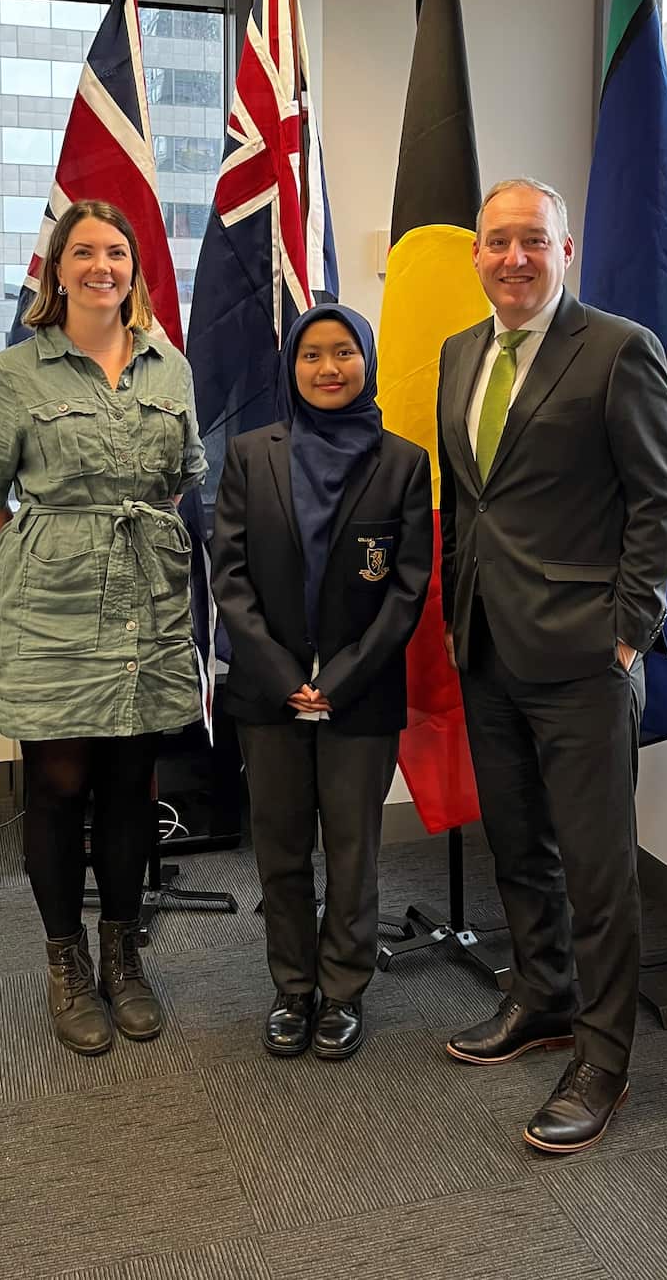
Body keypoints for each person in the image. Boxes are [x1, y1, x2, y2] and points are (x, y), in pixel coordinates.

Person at [436, 177, 667, 1152]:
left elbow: (656, 504)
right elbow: (472, 502)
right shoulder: (461, 352)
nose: (513, 257)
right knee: (517, 848)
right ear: (475, 253)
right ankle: (538, 997)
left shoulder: (618, 351)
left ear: (564, 250)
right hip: (487, 647)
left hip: (583, 656)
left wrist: (623, 634)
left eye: (531, 241)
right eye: (496, 241)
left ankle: (603, 1056)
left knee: (595, 867)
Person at [0, 198, 206, 1056]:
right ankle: (65, 963)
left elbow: (178, 480)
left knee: (131, 782)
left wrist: (120, 538)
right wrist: (46, 554)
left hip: (149, 598)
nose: (103, 266)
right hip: (51, 608)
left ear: (134, 271)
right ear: (56, 269)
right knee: (60, 783)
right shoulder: (13, 374)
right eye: (85, 252)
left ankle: (121, 954)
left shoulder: (170, 366)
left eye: (117, 254)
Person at [212, 305, 432, 1060]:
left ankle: (342, 991)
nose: (329, 367)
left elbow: (407, 588)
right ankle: (293, 987)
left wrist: (337, 677)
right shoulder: (249, 454)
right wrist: (282, 676)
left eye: (344, 352)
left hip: (360, 692)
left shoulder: (404, 462)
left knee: (352, 847)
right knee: (278, 846)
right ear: (292, 367)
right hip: (267, 694)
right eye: (312, 354)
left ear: (366, 360)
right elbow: (229, 577)